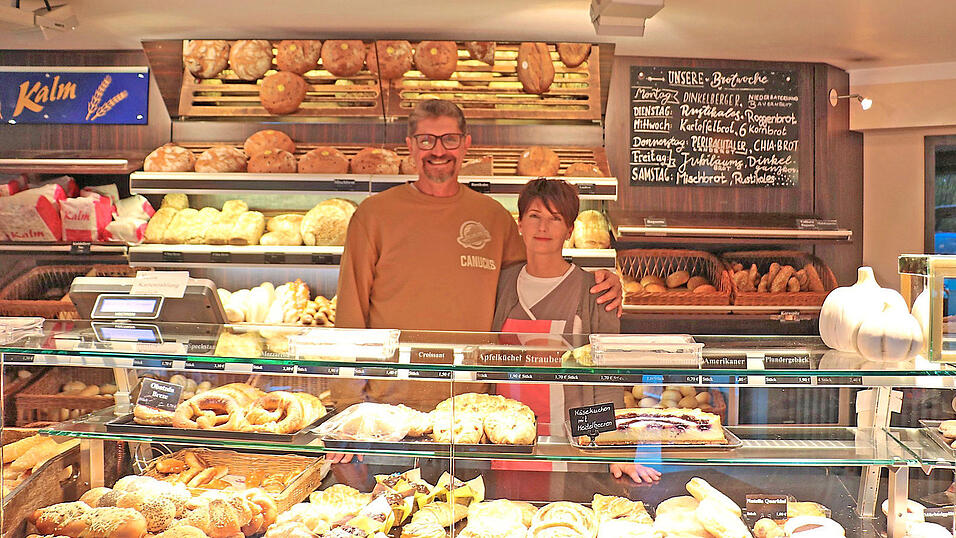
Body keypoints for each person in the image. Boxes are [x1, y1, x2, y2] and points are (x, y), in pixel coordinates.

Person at [334, 99, 622, 410]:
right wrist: (348, 405)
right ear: (411, 146)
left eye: (450, 139)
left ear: (465, 144)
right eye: (426, 140)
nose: (439, 151)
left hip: (472, 411)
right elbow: (350, 318)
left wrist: (598, 282)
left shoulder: (493, 218)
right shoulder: (374, 215)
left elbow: (540, 275)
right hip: (386, 409)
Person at [491, 178, 660, 484]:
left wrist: (613, 448)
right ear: (519, 224)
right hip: (506, 443)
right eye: (534, 216)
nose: (543, 228)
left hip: (574, 446)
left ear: (569, 231)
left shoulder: (594, 291)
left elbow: (607, 378)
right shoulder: (500, 284)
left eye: (555, 219)